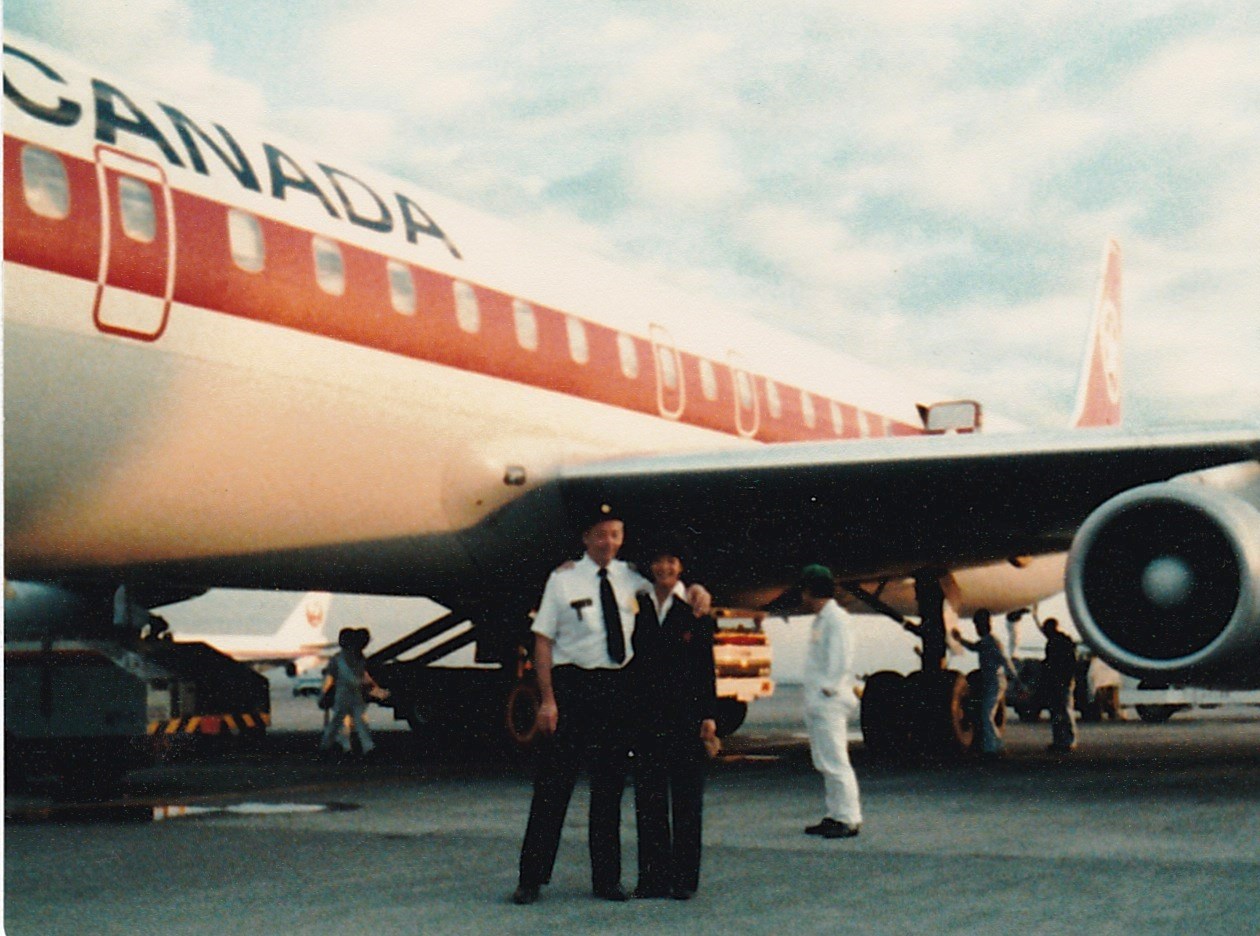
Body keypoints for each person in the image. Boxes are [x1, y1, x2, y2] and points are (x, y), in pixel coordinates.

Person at [512, 509, 710, 906]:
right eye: (600, 535)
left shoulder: (631, 577)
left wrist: (697, 588)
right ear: (586, 538)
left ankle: (606, 879)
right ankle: (531, 879)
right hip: (573, 687)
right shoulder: (562, 579)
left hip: (616, 691)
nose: (608, 542)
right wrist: (548, 699)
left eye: (616, 535)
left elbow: (669, 583)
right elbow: (543, 641)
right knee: (554, 787)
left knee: (609, 790)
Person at [628, 539, 718, 901]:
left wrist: (709, 715)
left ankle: (684, 880)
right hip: (647, 716)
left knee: (686, 799)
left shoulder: (694, 609)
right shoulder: (640, 605)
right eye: (658, 562)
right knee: (648, 798)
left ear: (681, 567)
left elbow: (705, 668)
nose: (664, 568)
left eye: (671, 561)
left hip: (685, 716)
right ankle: (652, 879)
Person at [798, 564, 863, 839]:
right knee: (825, 761)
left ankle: (849, 818)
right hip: (819, 701)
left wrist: (827, 690)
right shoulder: (823, 619)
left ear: (811, 590)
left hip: (829, 701)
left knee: (836, 760)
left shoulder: (836, 619)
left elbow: (840, 659)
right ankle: (834, 814)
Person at [952, 609, 1018, 757]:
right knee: (986, 714)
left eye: (978, 625)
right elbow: (974, 647)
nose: (977, 628)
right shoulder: (986, 641)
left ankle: (993, 749)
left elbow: (1004, 659)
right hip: (990, 680)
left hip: (995, 680)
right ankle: (994, 747)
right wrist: (960, 639)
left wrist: (1015, 678)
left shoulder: (992, 642)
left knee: (986, 714)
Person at [318, 627, 388, 758]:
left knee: (343, 721)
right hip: (348, 693)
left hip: (349, 694)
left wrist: (322, 695)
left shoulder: (341, 659)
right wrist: (377, 691)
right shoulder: (354, 659)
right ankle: (358, 747)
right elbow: (363, 677)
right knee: (350, 720)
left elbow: (330, 678)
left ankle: (342, 746)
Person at [1041, 618, 1078, 751]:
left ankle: (1068, 741)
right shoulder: (1059, 641)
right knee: (1058, 712)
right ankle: (1061, 740)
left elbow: (1069, 663)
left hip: (1062, 681)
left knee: (1064, 711)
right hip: (1057, 681)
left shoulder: (1059, 642)